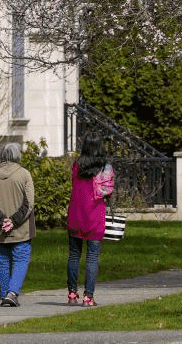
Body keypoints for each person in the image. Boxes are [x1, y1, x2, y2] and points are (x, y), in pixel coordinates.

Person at [0, 142, 36, 306]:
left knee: (3, 261)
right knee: (21, 259)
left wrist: (1, 220)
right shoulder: (24, 175)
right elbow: (29, 203)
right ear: (17, 156)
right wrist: (13, 221)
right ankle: (12, 294)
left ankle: (5, 293)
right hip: (22, 230)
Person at [66, 131, 114, 307]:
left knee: (74, 255)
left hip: (75, 213)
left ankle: (72, 293)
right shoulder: (105, 167)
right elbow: (108, 190)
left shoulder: (77, 165)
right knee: (92, 257)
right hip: (94, 214)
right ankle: (88, 296)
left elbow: (74, 183)